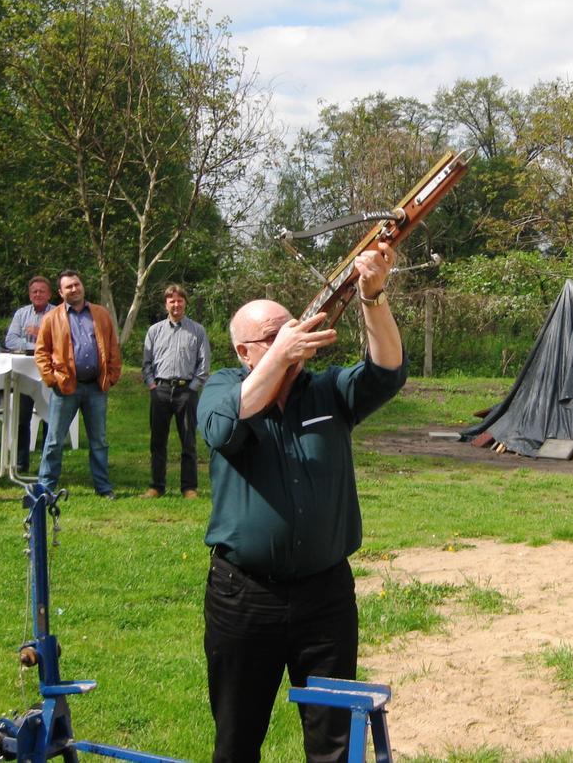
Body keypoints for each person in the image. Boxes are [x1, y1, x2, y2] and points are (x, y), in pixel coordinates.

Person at [197, 240, 406, 762]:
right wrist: (278, 360)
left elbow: (386, 370)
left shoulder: (326, 391)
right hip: (243, 597)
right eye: (274, 334)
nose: (294, 335)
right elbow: (225, 427)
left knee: (335, 741)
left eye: (294, 325)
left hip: (325, 596)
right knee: (237, 739)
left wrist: (372, 296)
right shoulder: (224, 388)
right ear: (245, 351)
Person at [34, 270, 122, 498]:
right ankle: (45, 488)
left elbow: (112, 346)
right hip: (65, 388)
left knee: (99, 441)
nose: (74, 289)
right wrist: (51, 379)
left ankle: (104, 488)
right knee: (54, 440)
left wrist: (112, 375)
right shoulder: (52, 318)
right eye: (69, 287)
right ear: (61, 293)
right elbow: (41, 352)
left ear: (82, 286)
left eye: (77, 284)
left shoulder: (100, 314)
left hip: (96, 387)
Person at [141, 284, 210, 499]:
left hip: (186, 392)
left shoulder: (197, 330)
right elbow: (146, 363)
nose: (176, 304)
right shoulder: (154, 331)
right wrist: (152, 385)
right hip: (160, 390)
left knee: (188, 442)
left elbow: (204, 364)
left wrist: (192, 389)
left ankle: (189, 487)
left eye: (180, 300)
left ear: (185, 303)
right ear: (166, 304)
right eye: (172, 301)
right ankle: (156, 486)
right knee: (157, 442)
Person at [4, 275, 54, 472]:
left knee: (50, 418)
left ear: (49, 294)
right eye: (34, 291)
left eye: (42, 291)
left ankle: (47, 464)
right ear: (29, 294)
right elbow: (10, 341)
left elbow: (61, 342)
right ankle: (21, 462)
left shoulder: (58, 314)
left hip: (49, 375)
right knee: (21, 418)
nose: (38, 294)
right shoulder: (21, 314)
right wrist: (39, 344)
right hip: (24, 374)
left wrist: (40, 332)